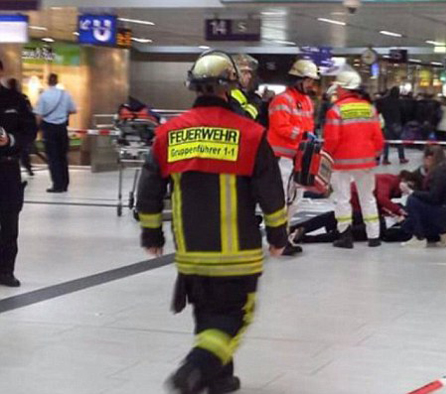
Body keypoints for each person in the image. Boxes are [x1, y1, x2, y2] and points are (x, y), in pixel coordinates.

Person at [136, 51, 288, 394]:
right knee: (234, 317)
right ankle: (195, 369)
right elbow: (271, 194)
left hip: (191, 253)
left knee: (206, 314)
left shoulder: (168, 133)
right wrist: (279, 235)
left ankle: (219, 378)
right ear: (229, 87)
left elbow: (148, 189)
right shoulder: (249, 134)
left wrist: (151, 232)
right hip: (238, 254)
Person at [323, 69, 385, 249]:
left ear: (344, 89)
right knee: (368, 198)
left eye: (338, 88)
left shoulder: (336, 110)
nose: (336, 91)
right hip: (366, 162)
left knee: (342, 198)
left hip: (341, 162)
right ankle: (374, 237)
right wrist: (375, 154)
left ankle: (345, 236)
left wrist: (326, 156)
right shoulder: (370, 108)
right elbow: (378, 138)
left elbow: (332, 140)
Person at [267, 59, 319, 256]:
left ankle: (283, 238)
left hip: (299, 157)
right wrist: (303, 135)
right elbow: (281, 127)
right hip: (282, 158)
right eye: (308, 81)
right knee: (282, 200)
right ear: (298, 80)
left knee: (295, 199)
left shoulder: (306, 101)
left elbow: (309, 127)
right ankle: (278, 240)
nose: (311, 85)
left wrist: (308, 141)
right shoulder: (282, 100)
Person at [0, 59, 37, 287]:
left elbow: (29, 131)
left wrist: (10, 140)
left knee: (9, 222)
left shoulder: (15, 100)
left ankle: (5, 270)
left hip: (7, 168)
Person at [291, 173, 407, 244]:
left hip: (373, 220)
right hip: (367, 214)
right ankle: (299, 234)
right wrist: (398, 212)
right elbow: (382, 199)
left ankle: (298, 234)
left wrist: (398, 217)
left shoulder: (389, 184)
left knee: (340, 226)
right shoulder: (390, 181)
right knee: (336, 222)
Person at [402, 145, 446, 248]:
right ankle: (444, 232)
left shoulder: (440, 172)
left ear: (429, 158)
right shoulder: (444, 168)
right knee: (408, 225)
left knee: (412, 200)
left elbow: (433, 197)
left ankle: (419, 238)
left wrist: (411, 192)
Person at [34, 73, 77, 193]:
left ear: (48, 82)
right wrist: (62, 113)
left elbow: (39, 115)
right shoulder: (65, 94)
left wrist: (35, 129)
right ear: (57, 81)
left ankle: (57, 185)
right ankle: (65, 183)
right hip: (62, 128)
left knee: (53, 158)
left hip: (49, 129)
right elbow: (73, 109)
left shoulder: (44, 96)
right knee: (62, 156)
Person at [7, 78, 36, 176]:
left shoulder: (5, 97)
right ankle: (27, 167)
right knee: (23, 150)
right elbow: (29, 111)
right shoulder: (22, 97)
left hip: (10, 130)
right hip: (19, 130)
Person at [377, 87, 407, 165]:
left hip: (386, 122)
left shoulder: (383, 101)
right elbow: (403, 112)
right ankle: (402, 158)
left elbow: (378, 110)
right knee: (399, 141)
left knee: (386, 142)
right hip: (396, 122)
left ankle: (385, 159)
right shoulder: (399, 101)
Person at [231, 54, 261, 121]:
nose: (249, 76)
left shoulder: (240, 93)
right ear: (234, 73)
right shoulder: (230, 95)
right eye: (245, 72)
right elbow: (244, 120)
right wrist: (256, 101)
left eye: (250, 72)